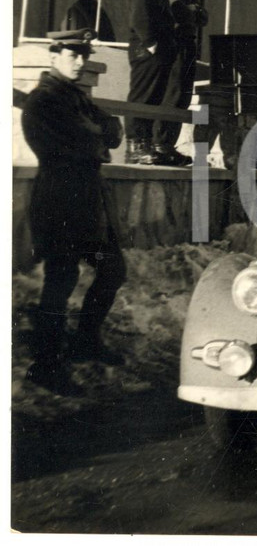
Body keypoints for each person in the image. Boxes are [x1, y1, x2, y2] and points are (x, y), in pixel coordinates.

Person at [21, 29, 128, 395]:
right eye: (72, 54)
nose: (80, 61)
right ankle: (45, 365)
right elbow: (79, 143)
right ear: (53, 56)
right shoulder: (44, 100)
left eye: (84, 55)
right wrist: (97, 134)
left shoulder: (76, 99)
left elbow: (112, 130)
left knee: (112, 268)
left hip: (86, 204)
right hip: (59, 202)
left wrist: (97, 132)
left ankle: (85, 340)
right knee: (61, 280)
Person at [126, 0, 177, 165]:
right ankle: (135, 147)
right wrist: (150, 44)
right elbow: (139, 15)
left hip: (158, 52)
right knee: (142, 97)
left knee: (154, 98)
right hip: (146, 51)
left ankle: (146, 146)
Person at [160, 0, 210, 166]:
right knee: (172, 94)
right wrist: (192, 11)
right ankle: (161, 144)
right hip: (176, 45)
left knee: (184, 97)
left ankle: (170, 145)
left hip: (188, 45)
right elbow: (179, 11)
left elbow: (203, 17)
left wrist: (192, 11)